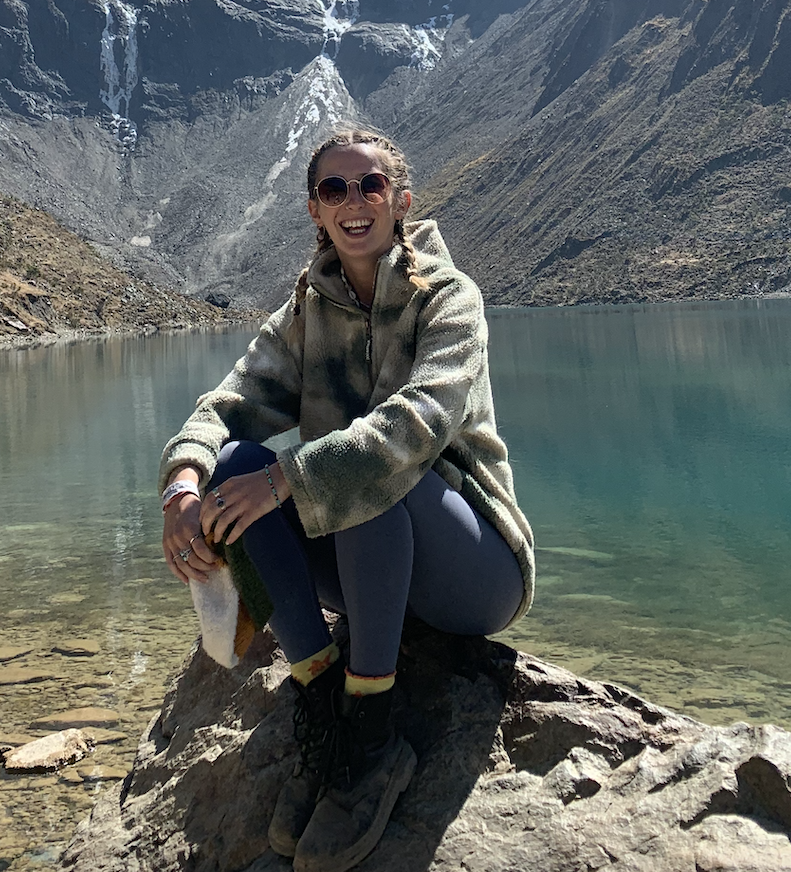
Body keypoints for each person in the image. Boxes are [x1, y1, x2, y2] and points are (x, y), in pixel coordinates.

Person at [158, 128, 535, 872]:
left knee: (371, 474)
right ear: (315, 210)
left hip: (473, 569)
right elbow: (230, 406)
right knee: (235, 462)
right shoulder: (307, 311)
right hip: (370, 564)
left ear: (401, 201)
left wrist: (287, 481)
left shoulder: (450, 299)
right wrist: (183, 481)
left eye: (370, 186)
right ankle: (322, 700)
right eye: (336, 189)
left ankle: (373, 729)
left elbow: (417, 425)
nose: (354, 202)